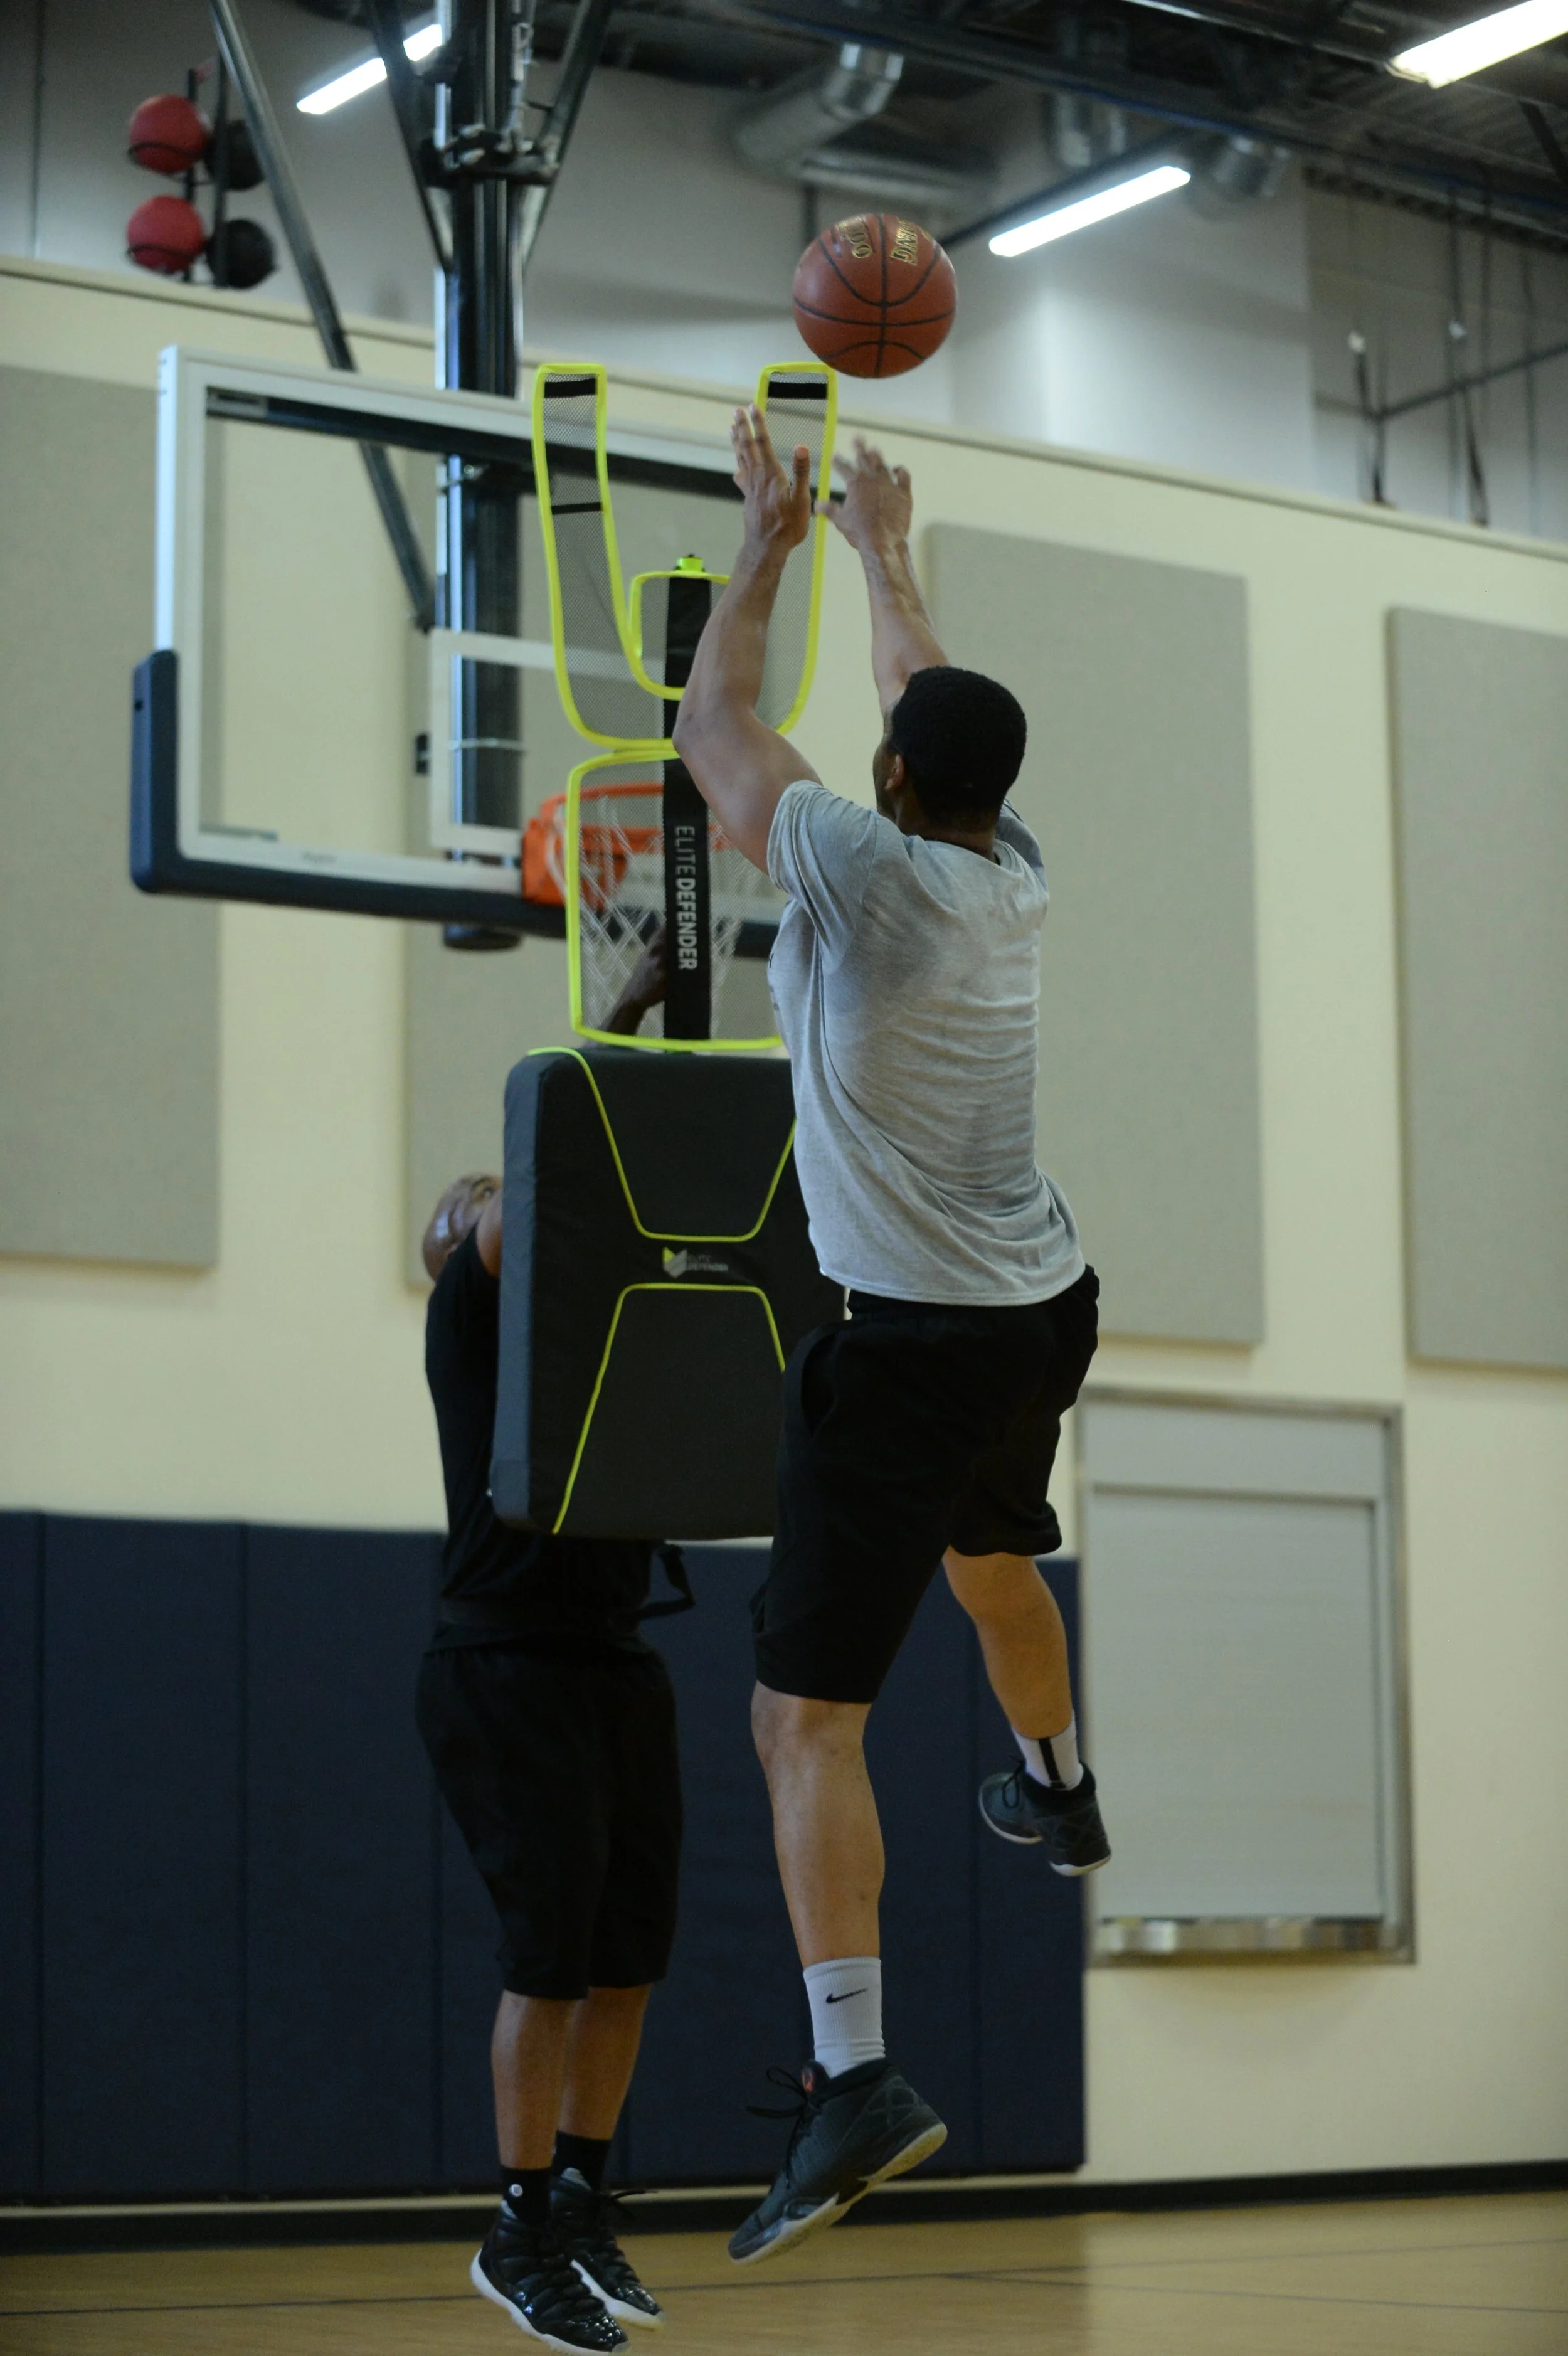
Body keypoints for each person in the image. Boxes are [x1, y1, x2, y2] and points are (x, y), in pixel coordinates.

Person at [671, 412, 1110, 2266]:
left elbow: (710, 736)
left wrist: (768, 539)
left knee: (801, 1716)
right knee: (995, 1548)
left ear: (885, 778)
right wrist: (884, 551)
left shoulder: (855, 862)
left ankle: (852, 2066)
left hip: (916, 1337)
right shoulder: (1008, 871)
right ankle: (1064, 1791)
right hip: (1040, 1310)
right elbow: (926, 696)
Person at [415, 943, 681, 2352]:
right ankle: (514, 2225)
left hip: (613, 1660)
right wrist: (620, 1012)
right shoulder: (472, 1320)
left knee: (629, 1956)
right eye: (465, 1204)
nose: (485, 1200)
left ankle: (579, 2196)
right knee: (551, 1958)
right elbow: (544, 1186)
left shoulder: (606, 1333)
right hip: (500, 1662)